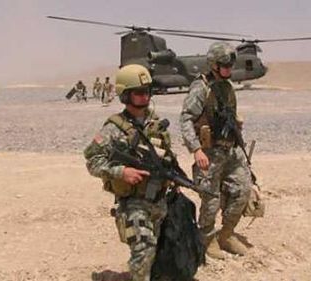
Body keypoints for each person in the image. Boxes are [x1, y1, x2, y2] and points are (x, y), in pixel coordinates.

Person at [84, 65, 174, 281]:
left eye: (147, 92)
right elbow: (92, 160)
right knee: (143, 248)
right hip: (133, 202)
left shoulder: (155, 123)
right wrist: (120, 171)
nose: (145, 97)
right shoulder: (114, 128)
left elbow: (167, 154)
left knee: (154, 254)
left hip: (159, 200)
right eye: (139, 92)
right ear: (125, 95)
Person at [180, 42, 252, 259]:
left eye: (231, 65)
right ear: (213, 65)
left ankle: (226, 234)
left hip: (230, 150)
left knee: (243, 190)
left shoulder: (227, 87)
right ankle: (207, 240)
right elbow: (185, 119)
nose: (229, 69)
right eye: (224, 65)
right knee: (211, 199)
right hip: (209, 152)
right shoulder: (200, 88)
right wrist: (196, 150)